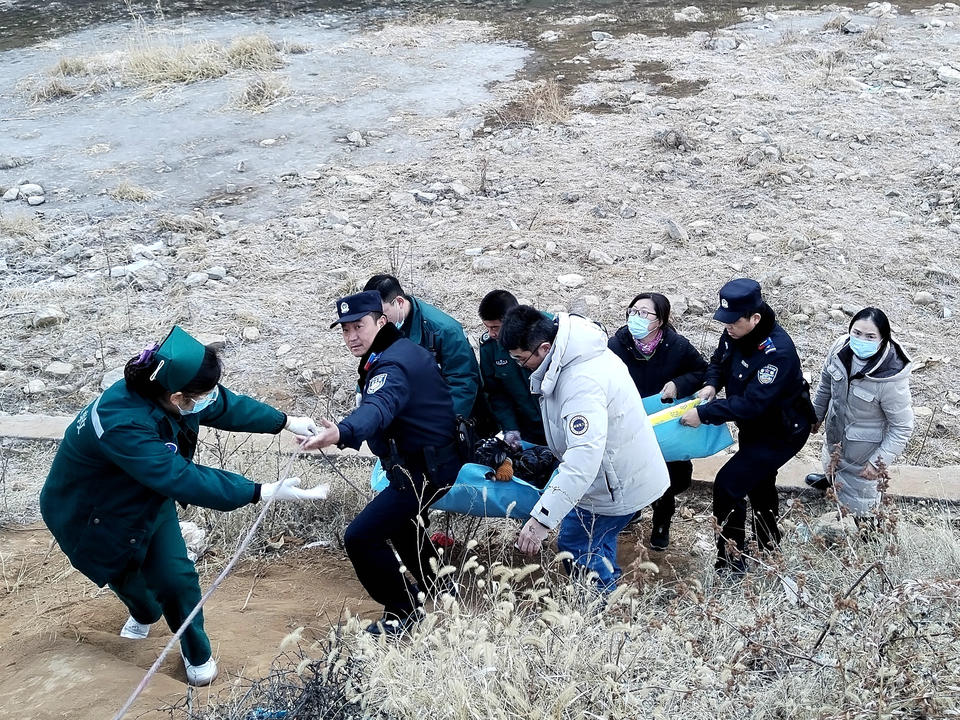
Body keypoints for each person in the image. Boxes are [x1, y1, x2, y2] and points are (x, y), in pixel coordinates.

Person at [39, 327, 327, 686]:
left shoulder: (168, 391)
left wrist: (284, 421)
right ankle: (143, 613)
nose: (208, 400)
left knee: (176, 578)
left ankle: (197, 654)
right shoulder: (121, 423)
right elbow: (180, 476)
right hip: (90, 515)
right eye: (200, 396)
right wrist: (260, 491)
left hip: (147, 495)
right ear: (177, 397)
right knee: (125, 577)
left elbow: (223, 405)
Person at [300, 291, 462, 636]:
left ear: (382, 321)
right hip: (426, 464)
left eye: (359, 326)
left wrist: (342, 432)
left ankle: (404, 612)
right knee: (400, 523)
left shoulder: (393, 364)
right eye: (345, 330)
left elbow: (380, 404)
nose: (351, 336)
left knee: (360, 537)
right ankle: (440, 586)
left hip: (425, 471)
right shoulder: (393, 351)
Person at [500, 306, 669, 594]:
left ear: (544, 348)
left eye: (521, 359)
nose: (520, 365)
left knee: (577, 544)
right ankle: (608, 592)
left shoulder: (581, 383)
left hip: (613, 482)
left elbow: (583, 459)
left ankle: (599, 605)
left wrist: (541, 520)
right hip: (614, 472)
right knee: (594, 541)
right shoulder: (575, 350)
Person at [680, 279, 814, 573]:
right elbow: (719, 360)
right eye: (725, 321)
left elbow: (753, 404)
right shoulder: (735, 330)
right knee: (759, 482)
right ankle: (768, 545)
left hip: (781, 432)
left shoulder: (777, 353)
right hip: (754, 427)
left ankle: (731, 561)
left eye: (734, 322)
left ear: (754, 318)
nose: (727, 327)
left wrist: (705, 414)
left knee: (728, 485)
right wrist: (711, 384)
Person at [608, 292, 708, 551]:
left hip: (664, 424)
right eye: (633, 311)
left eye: (644, 313)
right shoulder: (618, 344)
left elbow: (701, 371)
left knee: (667, 476)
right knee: (629, 471)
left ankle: (662, 523)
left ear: (660, 320)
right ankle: (632, 511)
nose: (636, 317)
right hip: (629, 420)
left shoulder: (676, 345)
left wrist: (678, 384)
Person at [807, 308, 914, 518]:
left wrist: (877, 463)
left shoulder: (890, 378)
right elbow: (826, 383)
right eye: (856, 333)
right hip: (836, 435)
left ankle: (866, 526)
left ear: (883, 339)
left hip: (864, 453)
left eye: (870, 336)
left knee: (861, 508)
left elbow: (902, 427)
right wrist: (816, 415)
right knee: (831, 462)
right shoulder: (840, 348)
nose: (861, 340)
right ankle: (831, 481)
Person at [363, 274, 480, 420]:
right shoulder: (380, 328)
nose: (377, 322)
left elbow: (462, 382)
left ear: (399, 302)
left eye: (381, 314)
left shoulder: (444, 331)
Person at [478, 289, 547, 447]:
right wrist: (510, 428)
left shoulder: (542, 332)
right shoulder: (490, 348)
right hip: (527, 430)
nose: (491, 333)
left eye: (495, 327)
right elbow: (496, 393)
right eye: (487, 327)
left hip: (557, 423)